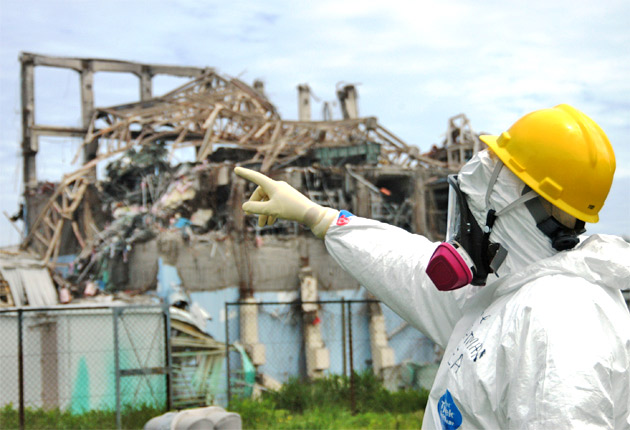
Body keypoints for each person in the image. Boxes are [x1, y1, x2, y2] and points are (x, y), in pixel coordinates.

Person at [234, 104, 630, 429]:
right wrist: (318, 216)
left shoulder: (559, 320)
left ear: (515, 198)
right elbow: (406, 266)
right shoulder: (508, 290)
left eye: (492, 174)